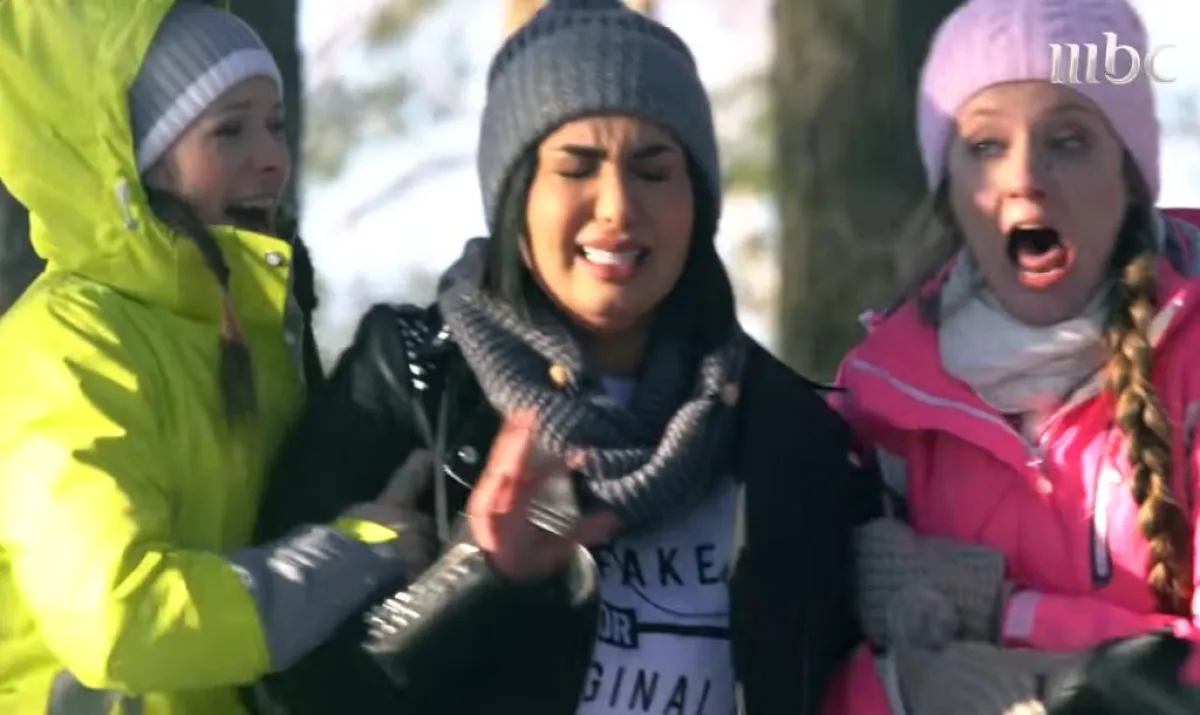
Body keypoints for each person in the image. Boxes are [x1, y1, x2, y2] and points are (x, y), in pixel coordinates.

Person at [248, 1, 880, 713]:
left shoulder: (785, 429)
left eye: (653, 171)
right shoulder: (412, 383)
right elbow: (282, 685)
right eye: (576, 168)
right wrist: (478, 575)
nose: (617, 206)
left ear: (698, 204)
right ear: (514, 193)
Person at [0, 3, 427, 714]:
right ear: (131, 163)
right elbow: (120, 618)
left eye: (276, 125)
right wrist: (350, 557)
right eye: (229, 130)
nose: (272, 158)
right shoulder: (66, 345)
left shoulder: (251, 330)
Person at [821, 0, 1200, 713]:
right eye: (986, 145)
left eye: (1068, 141)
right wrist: (905, 689)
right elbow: (797, 672)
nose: (1025, 176)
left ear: (1129, 176)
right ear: (950, 188)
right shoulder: (876, 397)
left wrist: (1009, 616)